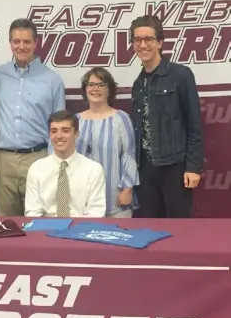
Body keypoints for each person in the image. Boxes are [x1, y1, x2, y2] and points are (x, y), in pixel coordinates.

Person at [129, 15, 204, 218]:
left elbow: (194, 124)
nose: (142, 45)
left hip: (175, 166)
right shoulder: (137, 83)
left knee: (180, 229)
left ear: (160, 42)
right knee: (150, 229)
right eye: (137, 40)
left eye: (148, 39)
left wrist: (193, 167)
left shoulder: (180, 75)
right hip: (145, 169)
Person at [0, 18, 66, 216]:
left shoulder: (52, 80)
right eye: (16, 41)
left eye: (26, 42)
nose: (21, 46)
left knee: (39, 219)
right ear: (10, 44)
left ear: (36, 43)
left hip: (38, 158)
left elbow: (59, 125)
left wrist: (53, 162)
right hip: (2, 160)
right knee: (7, 222)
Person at [76, 67, 139, 218]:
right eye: (91, 85)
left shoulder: (121, 119)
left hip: (115, 200)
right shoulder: (75, 120)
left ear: (109, 90)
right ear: (85, 89)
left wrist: (127, 190)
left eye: (101, 85)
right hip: (82, 200)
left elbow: (129, 155)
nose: (95, 89)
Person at [25, 110, 106, 217]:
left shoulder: (94, 169)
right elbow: (32, 212)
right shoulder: (36, 169)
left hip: (81, 230)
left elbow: (96, 213)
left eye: (65, 130)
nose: (59, 136)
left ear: (76, 134)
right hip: (44, 229)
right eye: (54, 131)